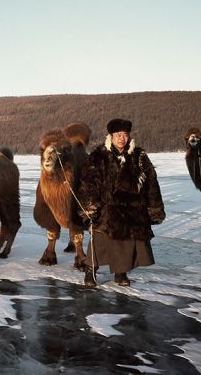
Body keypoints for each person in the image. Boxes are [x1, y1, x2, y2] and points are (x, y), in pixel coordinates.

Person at [79, 119, 165, 287]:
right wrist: (88, 207)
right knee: (99, 243)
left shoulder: (139, 157)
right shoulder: (99, 156)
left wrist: (154, 208)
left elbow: (151, 184)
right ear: (111, 136)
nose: (122, 139)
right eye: (118, 135)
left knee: (126, 245)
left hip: (133, 210)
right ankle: (90, 270)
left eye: (125, 135)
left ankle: (121, 272)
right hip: (106, 209)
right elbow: (88, 183)